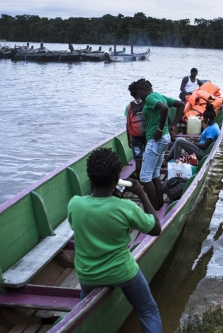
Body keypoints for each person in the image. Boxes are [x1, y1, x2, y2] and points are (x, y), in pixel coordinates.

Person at [67, 148, 162, 333]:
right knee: (147, 310)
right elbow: (156, 229)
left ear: (89, 176)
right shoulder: (125, 207)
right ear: (117, 178)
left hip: (88, 275)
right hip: (123, 273)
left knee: (83, 313)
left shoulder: (74, 205)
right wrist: (141, 193)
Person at [135, 78, 185, 209]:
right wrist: (173, 125)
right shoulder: (159, 96)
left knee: (145, 178)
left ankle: (155, 209)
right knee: (155, 173)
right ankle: (160, 205)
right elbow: (180, 105)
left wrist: (160, 128)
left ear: (140, 92)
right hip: (165, 138)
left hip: (156, 139)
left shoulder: (150, 98)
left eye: (138, 94)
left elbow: (164, 109)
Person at [125, 81, 146, 178]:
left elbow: (128, 123)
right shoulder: (147, 103)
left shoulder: (129, 106)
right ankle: (148, 179)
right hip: (147, 136)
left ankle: (139, 180)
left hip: (135, 137)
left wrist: (129, 139)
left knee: (138, 160)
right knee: (147, 159)